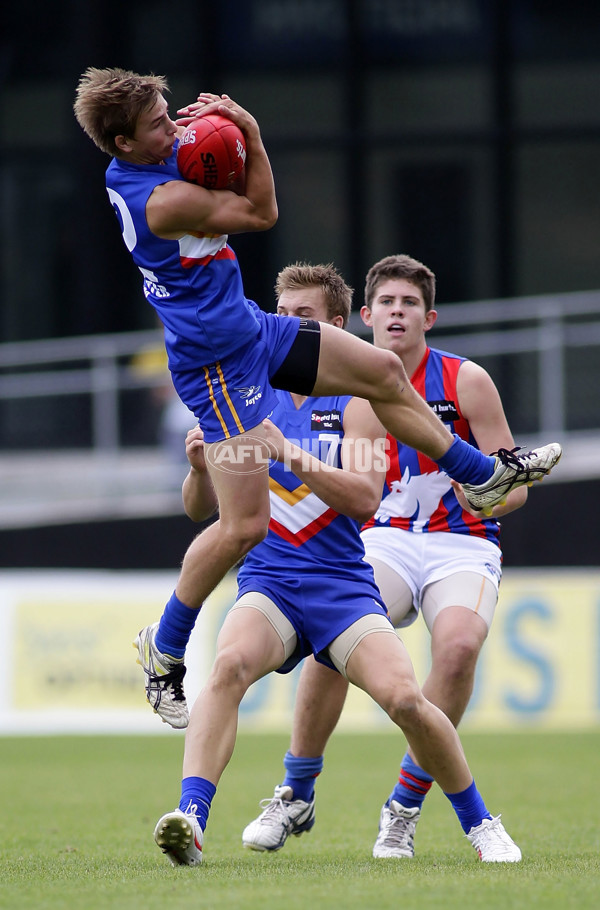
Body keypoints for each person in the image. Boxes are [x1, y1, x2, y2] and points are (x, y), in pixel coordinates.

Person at [73, 67, 561, 730]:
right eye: (160, 123)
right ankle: (162, 649)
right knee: (243, 526)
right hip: (218, 370)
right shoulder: (162, 201)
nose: (176, 127)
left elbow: (220, 190)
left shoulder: (141, 168)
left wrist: (216, 139)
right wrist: (248, 134)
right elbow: (261, 212)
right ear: (125, 144)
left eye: (171, 114)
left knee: (384, 374)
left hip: (250, 330)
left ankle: (480, 475)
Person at [153, 262, 522, 866]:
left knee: (405, 699)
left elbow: (364, 499)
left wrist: (288, 452)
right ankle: (191, 819)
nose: (287, 326)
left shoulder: (359, 401)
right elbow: (202, 512)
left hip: (341, 585)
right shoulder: (240, 394)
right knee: (226, 667)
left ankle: (479, 821)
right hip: (270, 582)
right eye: (282, 314)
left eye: (304, 317)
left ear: (336, 325)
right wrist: (199, 469)